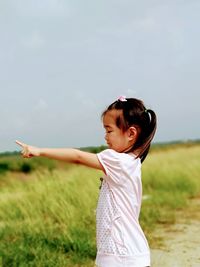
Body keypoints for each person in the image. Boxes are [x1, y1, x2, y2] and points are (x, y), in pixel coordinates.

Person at [16, 96, 157, 267]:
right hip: (128, 254)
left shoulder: (118, 161)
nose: (105, 137)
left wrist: (38, 151)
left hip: (121, 256)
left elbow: (77, 157)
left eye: (109, 130)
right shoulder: (130, 162)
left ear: (131, 133)